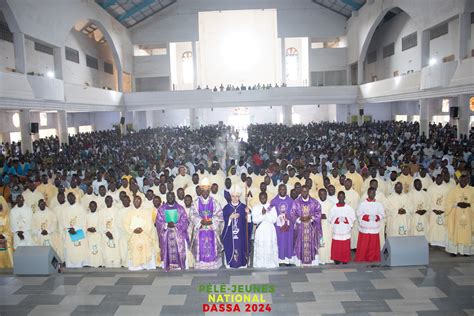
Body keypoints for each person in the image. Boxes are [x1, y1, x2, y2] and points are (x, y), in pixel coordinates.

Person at [190, 178, 224, 269]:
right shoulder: (196, 203)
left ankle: (212, 263)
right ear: (201, 191)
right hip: (200, 229)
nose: (205, 193)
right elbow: (192, 215)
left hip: (211, 229)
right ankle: (201, 263)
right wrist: (201, 221)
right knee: (201, 246)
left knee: (212, 245)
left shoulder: (215, 202)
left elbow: (219, 215)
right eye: (203, 191)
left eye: (207, 191)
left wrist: (211, 221)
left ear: (209, 191)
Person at [290, 185, 322, 266]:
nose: (304, 193)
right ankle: (299, 262)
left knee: (311, 243)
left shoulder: (314, 202)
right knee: (300, 244)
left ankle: (312, 262)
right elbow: (292, 213)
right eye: (303, 191)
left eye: (306, 191)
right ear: (300, 192)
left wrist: (310, 219)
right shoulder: (296, 202)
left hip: (311, 228)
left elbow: (318, 213)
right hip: (300, 228)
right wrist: (300, 219)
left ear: (308, 191)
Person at [222, 184, 252, 268]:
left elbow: (249, 223)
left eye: (237, 196)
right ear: (230, 196)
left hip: (241, 235)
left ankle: (242, 262)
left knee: (241, 247)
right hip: (230, 236)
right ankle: (230, 262)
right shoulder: (226, 208)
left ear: (239, 196)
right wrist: (230, 218)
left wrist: (248, 214)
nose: (235, 198)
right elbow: (222, 222)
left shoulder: (243, 207)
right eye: (233, 196)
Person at [156, 192, 188, 271]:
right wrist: (166, 224)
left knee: (179, 246)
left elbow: (184, 221)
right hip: (166, 233)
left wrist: (175, 225)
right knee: (167, 247)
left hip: (177, 233)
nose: (170, 198)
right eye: (168, 197)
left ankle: (179, 264)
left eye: (171, 197)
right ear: (166, 197)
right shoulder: (162, 209)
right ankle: (168, 264)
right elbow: (158, 222)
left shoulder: (180, 208)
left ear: (174, 197)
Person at [123, 196, 156, 271]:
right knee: (135, 246)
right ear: (133, 202)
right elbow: (125, 224)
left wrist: (142, 229)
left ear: (141, 202)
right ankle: (135, 266)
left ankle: (146, 265)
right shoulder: (129, 213)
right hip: (133, 235)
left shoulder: (146, 212)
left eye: (138, 200)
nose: (137, 202)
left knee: (145, 245)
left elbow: (149, 223)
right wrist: (133, 230)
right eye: (135, 200)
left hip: (144, 234)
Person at [445, 175, 473, 256]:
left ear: (468, 181)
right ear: (459, 180)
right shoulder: (453, 190)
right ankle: (454, 251)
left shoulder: (472, 190)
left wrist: (469, 204)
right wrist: (457, 204)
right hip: (455, 216)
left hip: (468, 215)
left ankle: (465, 251)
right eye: (462, 180)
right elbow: (448, 203)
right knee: (455, 232)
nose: (463, 182)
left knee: (466, 232)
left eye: (465, 180)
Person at [355, 188, 384, 262]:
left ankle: (373, 257)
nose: (372, 194)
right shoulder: (362, 203)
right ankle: (362, 257)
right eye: (371, 193)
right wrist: (367, 217)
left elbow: (382, 214)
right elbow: (359, 213)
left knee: (373, 244)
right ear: (368, 193)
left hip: (374, 226)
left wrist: (376, 217)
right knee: (364, 244)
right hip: (365, 227)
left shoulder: (379, 204)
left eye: (374, 193)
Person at [270, 184, 296, 266]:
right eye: (281, 189)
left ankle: (288, 259)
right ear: (278, 190)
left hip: (289, 226)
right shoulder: (274, 201)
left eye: (284, 189)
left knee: (289, 241)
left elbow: (294, 213)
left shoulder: (291, 201)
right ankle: (280, 260)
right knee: (280, 242)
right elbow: (269, 211)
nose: (282, 191)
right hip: (279, 227)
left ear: (286, 190)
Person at [61, 193, 89, 267]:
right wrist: (69, 229)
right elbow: (64, 221)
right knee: (71, 251)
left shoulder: (81, 208)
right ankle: (70, 266)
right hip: (69, 232)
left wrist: (75, 228)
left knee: (78, 250)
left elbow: (83, 221)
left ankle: (79, 266)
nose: (70, 199)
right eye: (68, 197)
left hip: (78, 232)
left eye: (71, 197)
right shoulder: (65, 210)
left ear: (74, 198)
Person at [252, 192, 278, 268]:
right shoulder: (256, 207)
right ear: (259, 198)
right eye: (261, 198)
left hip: (270, 230)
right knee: (261, 246)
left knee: (269, 246)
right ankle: (260, 264)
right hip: (260, 231)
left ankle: (271, 263)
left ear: (267, 198)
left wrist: (266, 214)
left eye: (264, 198)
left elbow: (274, 219)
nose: (263, 199)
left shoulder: (271, 207)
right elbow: (254, 220)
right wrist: (262, 214)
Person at [328, 191, 355, 264]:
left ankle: (344, 259)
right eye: (339, 197)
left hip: (345, 229)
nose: (341, 198)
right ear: (337, 197)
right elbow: (330, 218)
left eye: (342, 196)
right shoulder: (333, 208)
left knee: (345, 245)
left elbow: (353, 218)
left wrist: (346, 219)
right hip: (337, 230)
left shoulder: (349, 208)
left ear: (344, 197)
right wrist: (336, 219)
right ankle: (336, 259)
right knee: (337, 245)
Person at [98, 195, 122, 268]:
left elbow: (119, 223)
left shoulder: (117, 210)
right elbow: (99, 224)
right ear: (105, 202)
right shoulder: (101, 211)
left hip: (115, 234)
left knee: (116, 252)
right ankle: (108, 266)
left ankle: (117, 265)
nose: (108, 202)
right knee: (107, 253)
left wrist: (114, 233)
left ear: (112, 201)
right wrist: (106, 232)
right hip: (105, 235)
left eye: (110, 200)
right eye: (107, 200)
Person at [427, 175, 449, 247]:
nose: (439, 180)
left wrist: (443, 210)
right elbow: (428, 200)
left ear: (442, 179)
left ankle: (442, 243)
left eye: (440, 178)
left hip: (443, 211)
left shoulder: (447, 189)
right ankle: (432, 241)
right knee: (433, 227)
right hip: (433, 211)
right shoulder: (431, 188)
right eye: (437, 178)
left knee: (442, 227)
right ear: (435, 179)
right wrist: (433, 209)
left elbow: (448, 201)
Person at [317, 188, 334, 264]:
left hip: (328, 227)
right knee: (320, 243)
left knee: (328, 243)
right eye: (321, 194)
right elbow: (311, 215)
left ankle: (329, 258)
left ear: (326, 194)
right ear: (318, 194)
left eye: (324, 194)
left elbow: (334, 215)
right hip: (318, 227)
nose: (323, 196)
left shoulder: (331, 203)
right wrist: (319, 217)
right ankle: (320, 259)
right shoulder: (315, 203)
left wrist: (327, 216)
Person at [86, 201, 103, 267]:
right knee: (90, 250)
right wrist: (88, 229)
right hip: (89, 236)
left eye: (94, 206)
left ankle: (99, 264)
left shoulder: (99, 215)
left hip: (97, 235)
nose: (92, 207)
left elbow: (102, 225)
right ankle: (91, 264)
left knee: (98, 249)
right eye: (91, 206)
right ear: (89, 207)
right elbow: (85, 225)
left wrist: (96, 229)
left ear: (96, 206)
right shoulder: (87, 215)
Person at [0, 202, 13, 268]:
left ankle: (9, 267)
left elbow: (9, 229)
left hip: (4, 238)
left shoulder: (6, 217)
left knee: (7, 246)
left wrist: (3, 235)